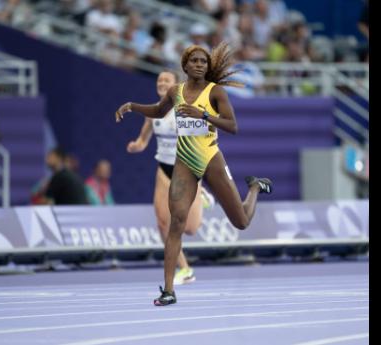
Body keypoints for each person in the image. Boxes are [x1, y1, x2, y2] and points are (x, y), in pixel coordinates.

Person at [115, 42, 273, 306]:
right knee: (175, 224)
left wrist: (203, 115)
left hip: (211, 158)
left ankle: (255, 187)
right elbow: (156, 112)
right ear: (185, 66)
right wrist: (131, 105)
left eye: (203, 61)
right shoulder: (176, 92)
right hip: (185, 162)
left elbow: (233, 126)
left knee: (242, 222)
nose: (199, 64)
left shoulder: (215, 92)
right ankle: (168, 290)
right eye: (195, 61)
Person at [126, 70, 204, 285]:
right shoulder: (153, 112)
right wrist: (137, 146)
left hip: (187, 170)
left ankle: (202, 196)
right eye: (159, 80)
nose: (161, 83)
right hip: (164, 169)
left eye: (166, 80)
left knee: (190, 228)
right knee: (163, 223)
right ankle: (185, 269)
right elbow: (143, 139)